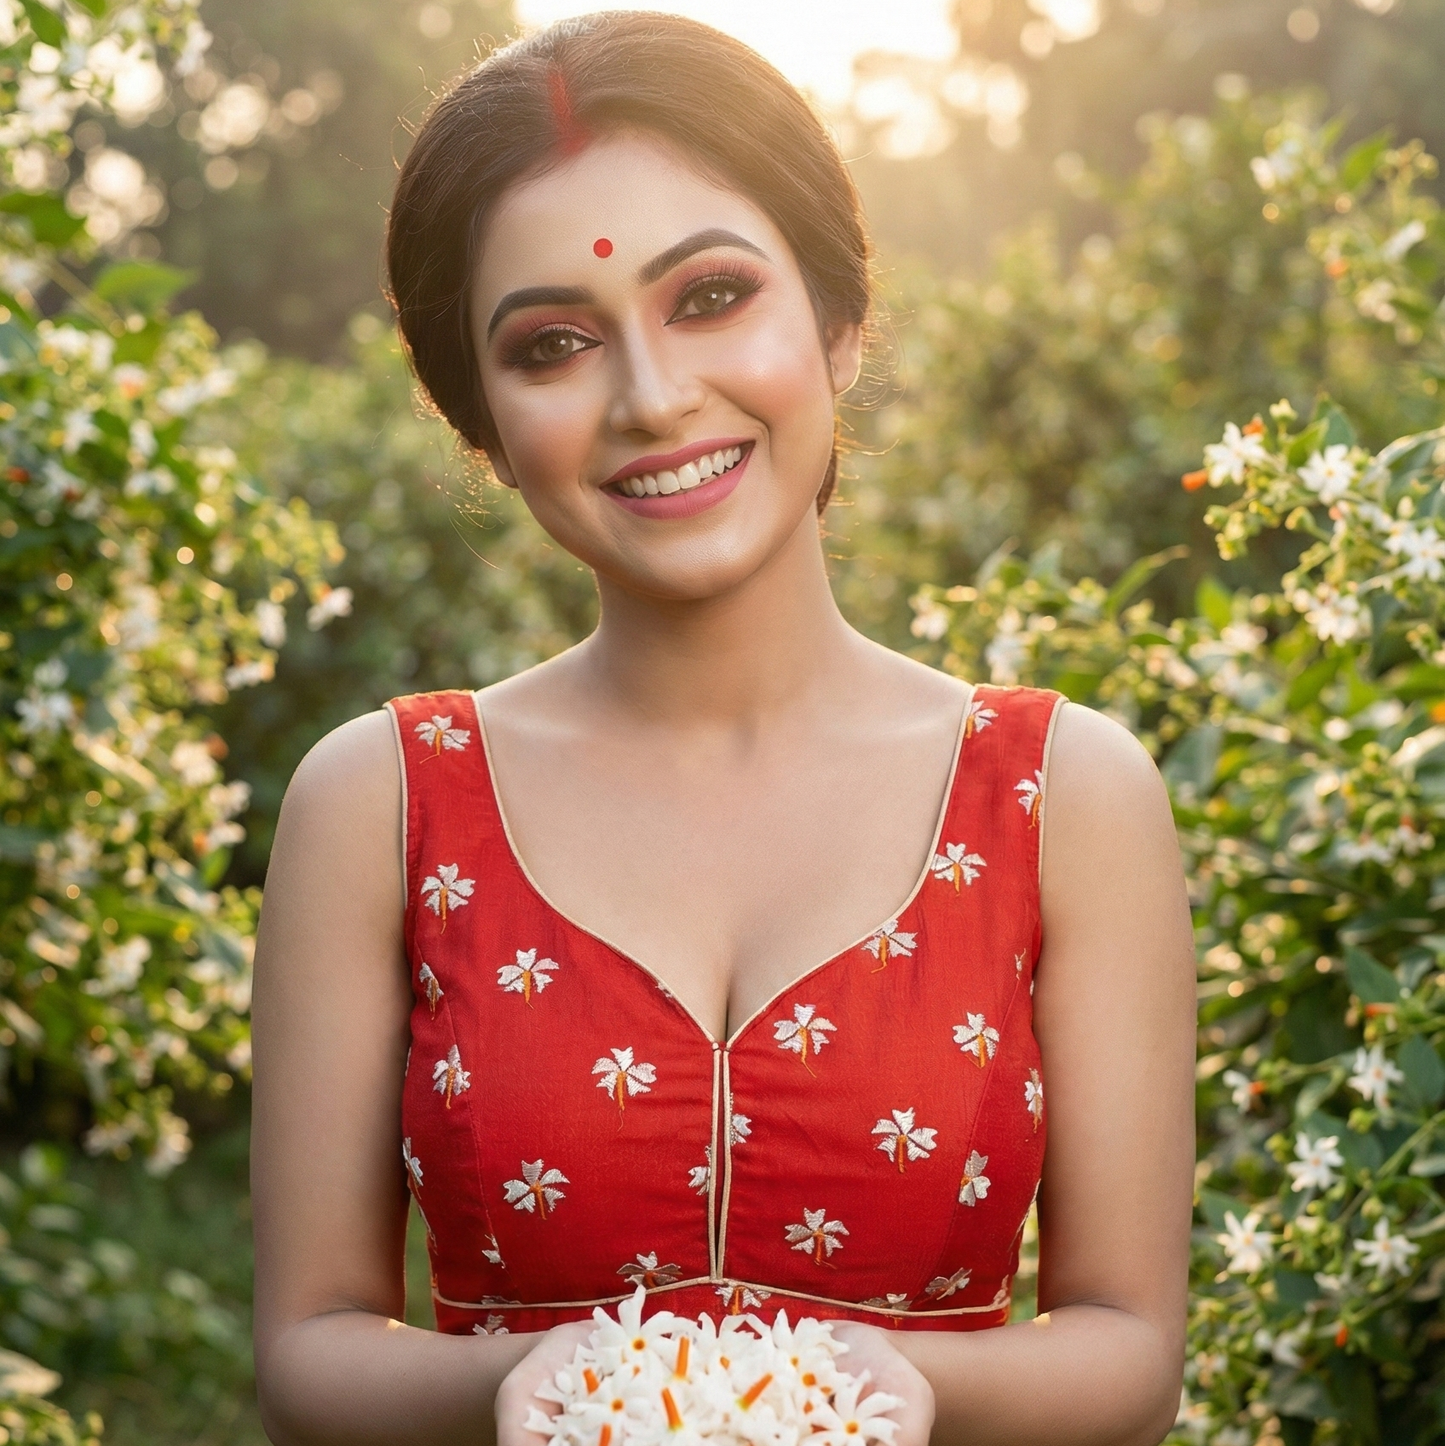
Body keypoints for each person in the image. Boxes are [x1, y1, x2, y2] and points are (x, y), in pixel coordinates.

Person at [249, 13, 1196, 1446]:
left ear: (838, 321)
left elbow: (1128, 1341)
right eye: (554, 343)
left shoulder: (1060, 791)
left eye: (710, 297)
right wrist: (527, 1389)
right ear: (487, 429)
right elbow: (310, 1343)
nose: (651, 396)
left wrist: (902, 1386)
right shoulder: (382, 801)